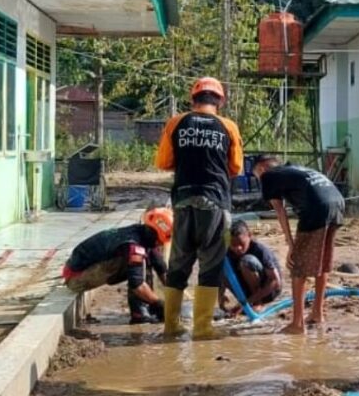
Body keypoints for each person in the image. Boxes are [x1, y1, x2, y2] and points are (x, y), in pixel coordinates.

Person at [155, 77, 244, 338]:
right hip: (216, 201)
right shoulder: (228, 126)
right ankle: (203, 328)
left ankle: (171, 326)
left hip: (182, 200)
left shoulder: (176, 123)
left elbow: (163, 162)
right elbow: (236, 168)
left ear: (193, 100)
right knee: (211, 264)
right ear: (220, 101)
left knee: (179, 263)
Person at [251, 155, 344, 334]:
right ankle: (317, 313)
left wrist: (291, 245)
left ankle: (297, 324)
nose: (258, 179)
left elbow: (279, 210)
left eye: (256, 175)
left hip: (316, 208)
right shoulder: (295, 169)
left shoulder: (268, 176)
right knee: (323, 265)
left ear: (261, 168)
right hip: (337, 204)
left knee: (298, 268)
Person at [62, 207, 173, 324]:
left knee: (146, 257)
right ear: (154, 234)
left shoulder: (140, 232)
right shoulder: (133, 246)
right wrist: (159, 304)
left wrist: (174, 294)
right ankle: (140, 313)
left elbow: (159, 265)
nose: (160, 245)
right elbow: (137, 284)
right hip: (77, 278)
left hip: (79, 268)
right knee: (140, 263)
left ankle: (142, 309)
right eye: (159, 241)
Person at [220, 220, 283, 314]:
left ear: (249, 236)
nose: (238, 248)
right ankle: (246, 302)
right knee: (221, 266)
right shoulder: (227, 251)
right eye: (233, 245)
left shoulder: (260, 250)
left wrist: (246, 303)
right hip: (244, 290)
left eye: (241, 244)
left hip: (267, 291)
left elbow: (275, 282)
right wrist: (220, 298)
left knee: (247, 261)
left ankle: (257, 302)